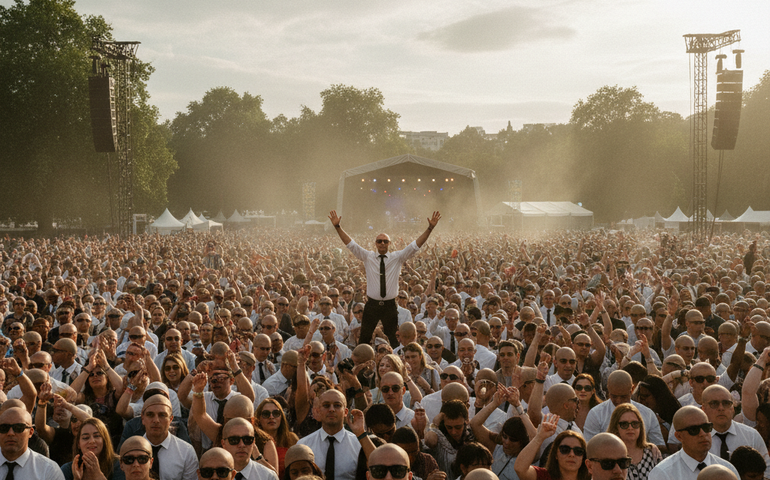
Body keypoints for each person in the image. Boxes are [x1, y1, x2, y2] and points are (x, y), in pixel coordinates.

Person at [328, 210, 441, 346]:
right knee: (364, 337)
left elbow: (415, 245)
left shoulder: (397, 257)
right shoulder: (368, 257)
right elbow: (351, 245)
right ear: (375, 243)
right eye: (379, 241)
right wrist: (337, 227)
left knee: (393, 338)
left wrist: (430, 228)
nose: (382, 243)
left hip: (389, 305)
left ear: (389, 243)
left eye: (385, 241)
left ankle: (396, 363)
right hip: (372, 304)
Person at [647, 406, 738, 480]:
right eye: (694, 430)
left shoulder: (727, 469)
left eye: (706, 427)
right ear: (679, 436)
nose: (702, 434)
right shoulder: (663, 474)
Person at [296, 389, 361, 480]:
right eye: (326, 405)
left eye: (337, 405)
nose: (331, 409)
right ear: (318, 411)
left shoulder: (358, 444)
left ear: (346, 412)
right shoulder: (304, 445)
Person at [514, 414, 590, 480]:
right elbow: (520, 468)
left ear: (584, 457)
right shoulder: (544, 476)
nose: (572, 454)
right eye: (565, 449)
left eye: (578, 451)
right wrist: (539, 437)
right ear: (556, 454)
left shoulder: (593, 478)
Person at [141, 394, 198, 480]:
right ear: (143, 419)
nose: (156, 420)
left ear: (171, 419)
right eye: (150, 415)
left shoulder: (186, 452)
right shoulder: (131, 450)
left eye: (162, 415)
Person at [0, 407, 63, 480]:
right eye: (4, 428)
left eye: (18, 428)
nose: (10, 433)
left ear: (30, 432)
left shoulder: (48, 470)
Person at [607, 404, 661, 480]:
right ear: (616, 427)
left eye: (635, 424)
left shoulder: (652, 451)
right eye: (624, 424)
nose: (630, 428)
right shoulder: (608, 455)